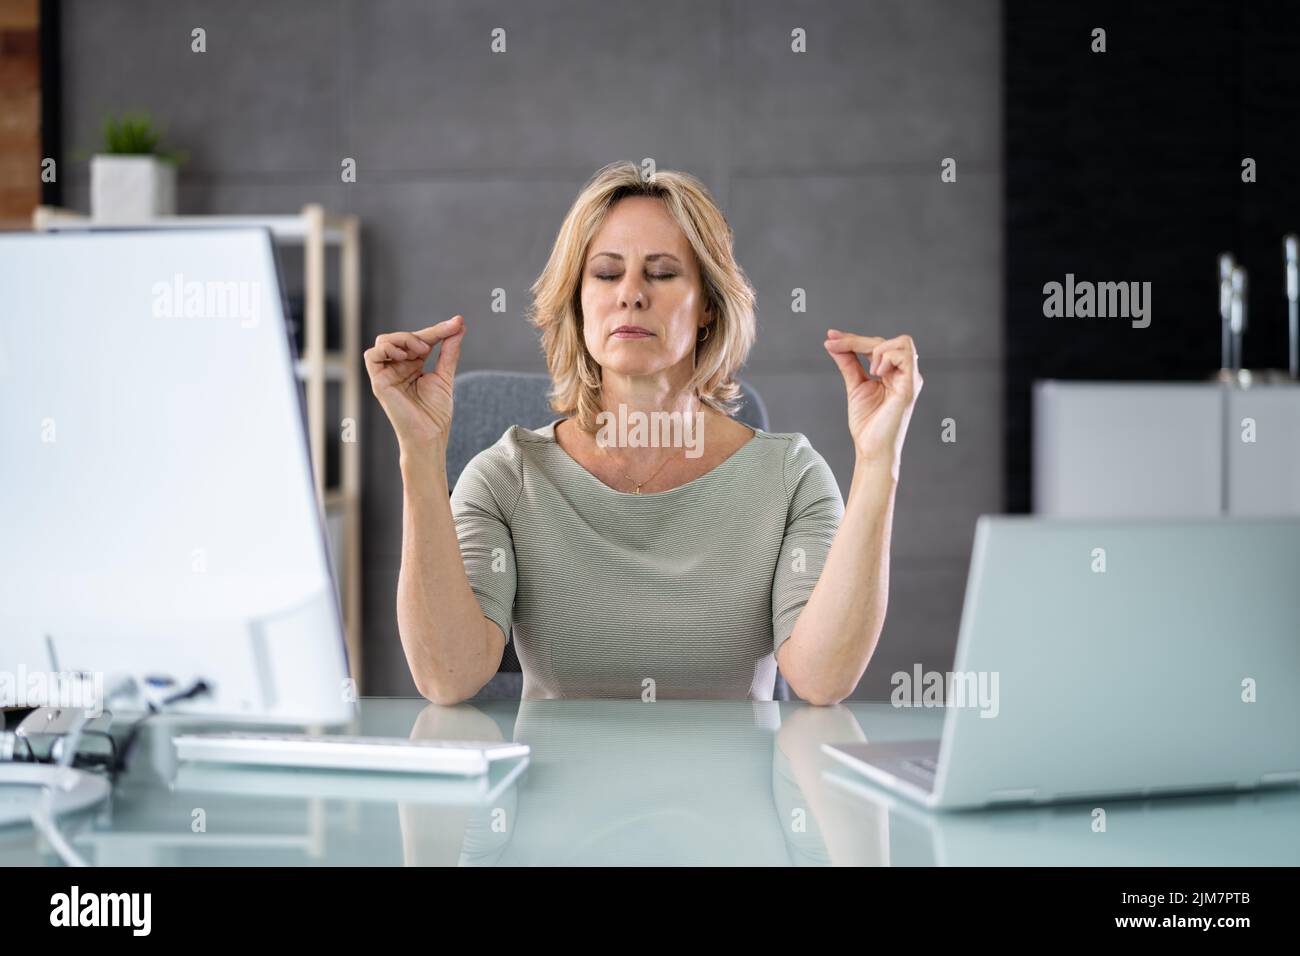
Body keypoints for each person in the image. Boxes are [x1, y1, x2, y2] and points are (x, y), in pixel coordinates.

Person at [365, 161, 922, 703]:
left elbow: (823, 680)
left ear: (707, 304)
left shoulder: (790, 478)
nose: (630, 292)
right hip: (562, 796)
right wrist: (419, 449)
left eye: (661, 273)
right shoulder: (508, 477)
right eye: (606, 273)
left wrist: (878, 462)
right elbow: (448, 677)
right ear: (578, 302)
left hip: (730, 795)